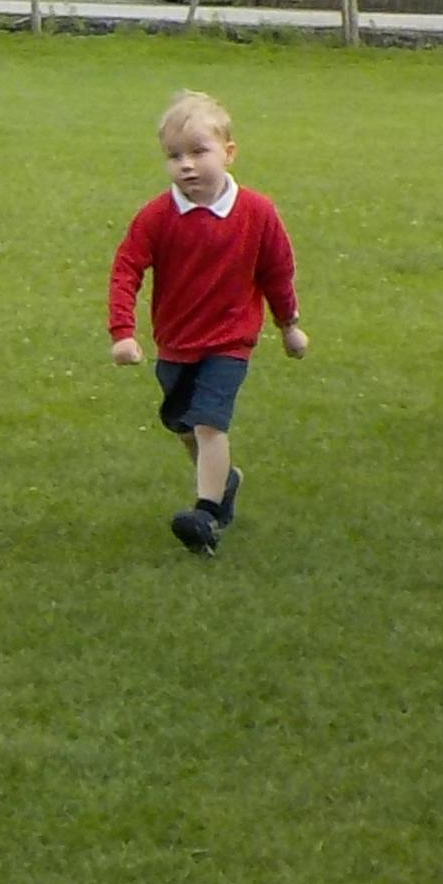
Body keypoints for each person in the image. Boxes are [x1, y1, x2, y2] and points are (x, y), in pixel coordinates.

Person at [106, 89, 307, 557]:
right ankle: (223, 481)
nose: (187, 166)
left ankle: (207, 514)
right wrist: (123, 333)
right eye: (175, 156)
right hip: (176, 343)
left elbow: (276, 272)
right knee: (183, 424)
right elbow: (126, 268)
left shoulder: (257, 213)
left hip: (230, 342)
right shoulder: (157, 216)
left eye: (199, 152)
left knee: (208, 424)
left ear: (229, 152)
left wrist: (289, 325)